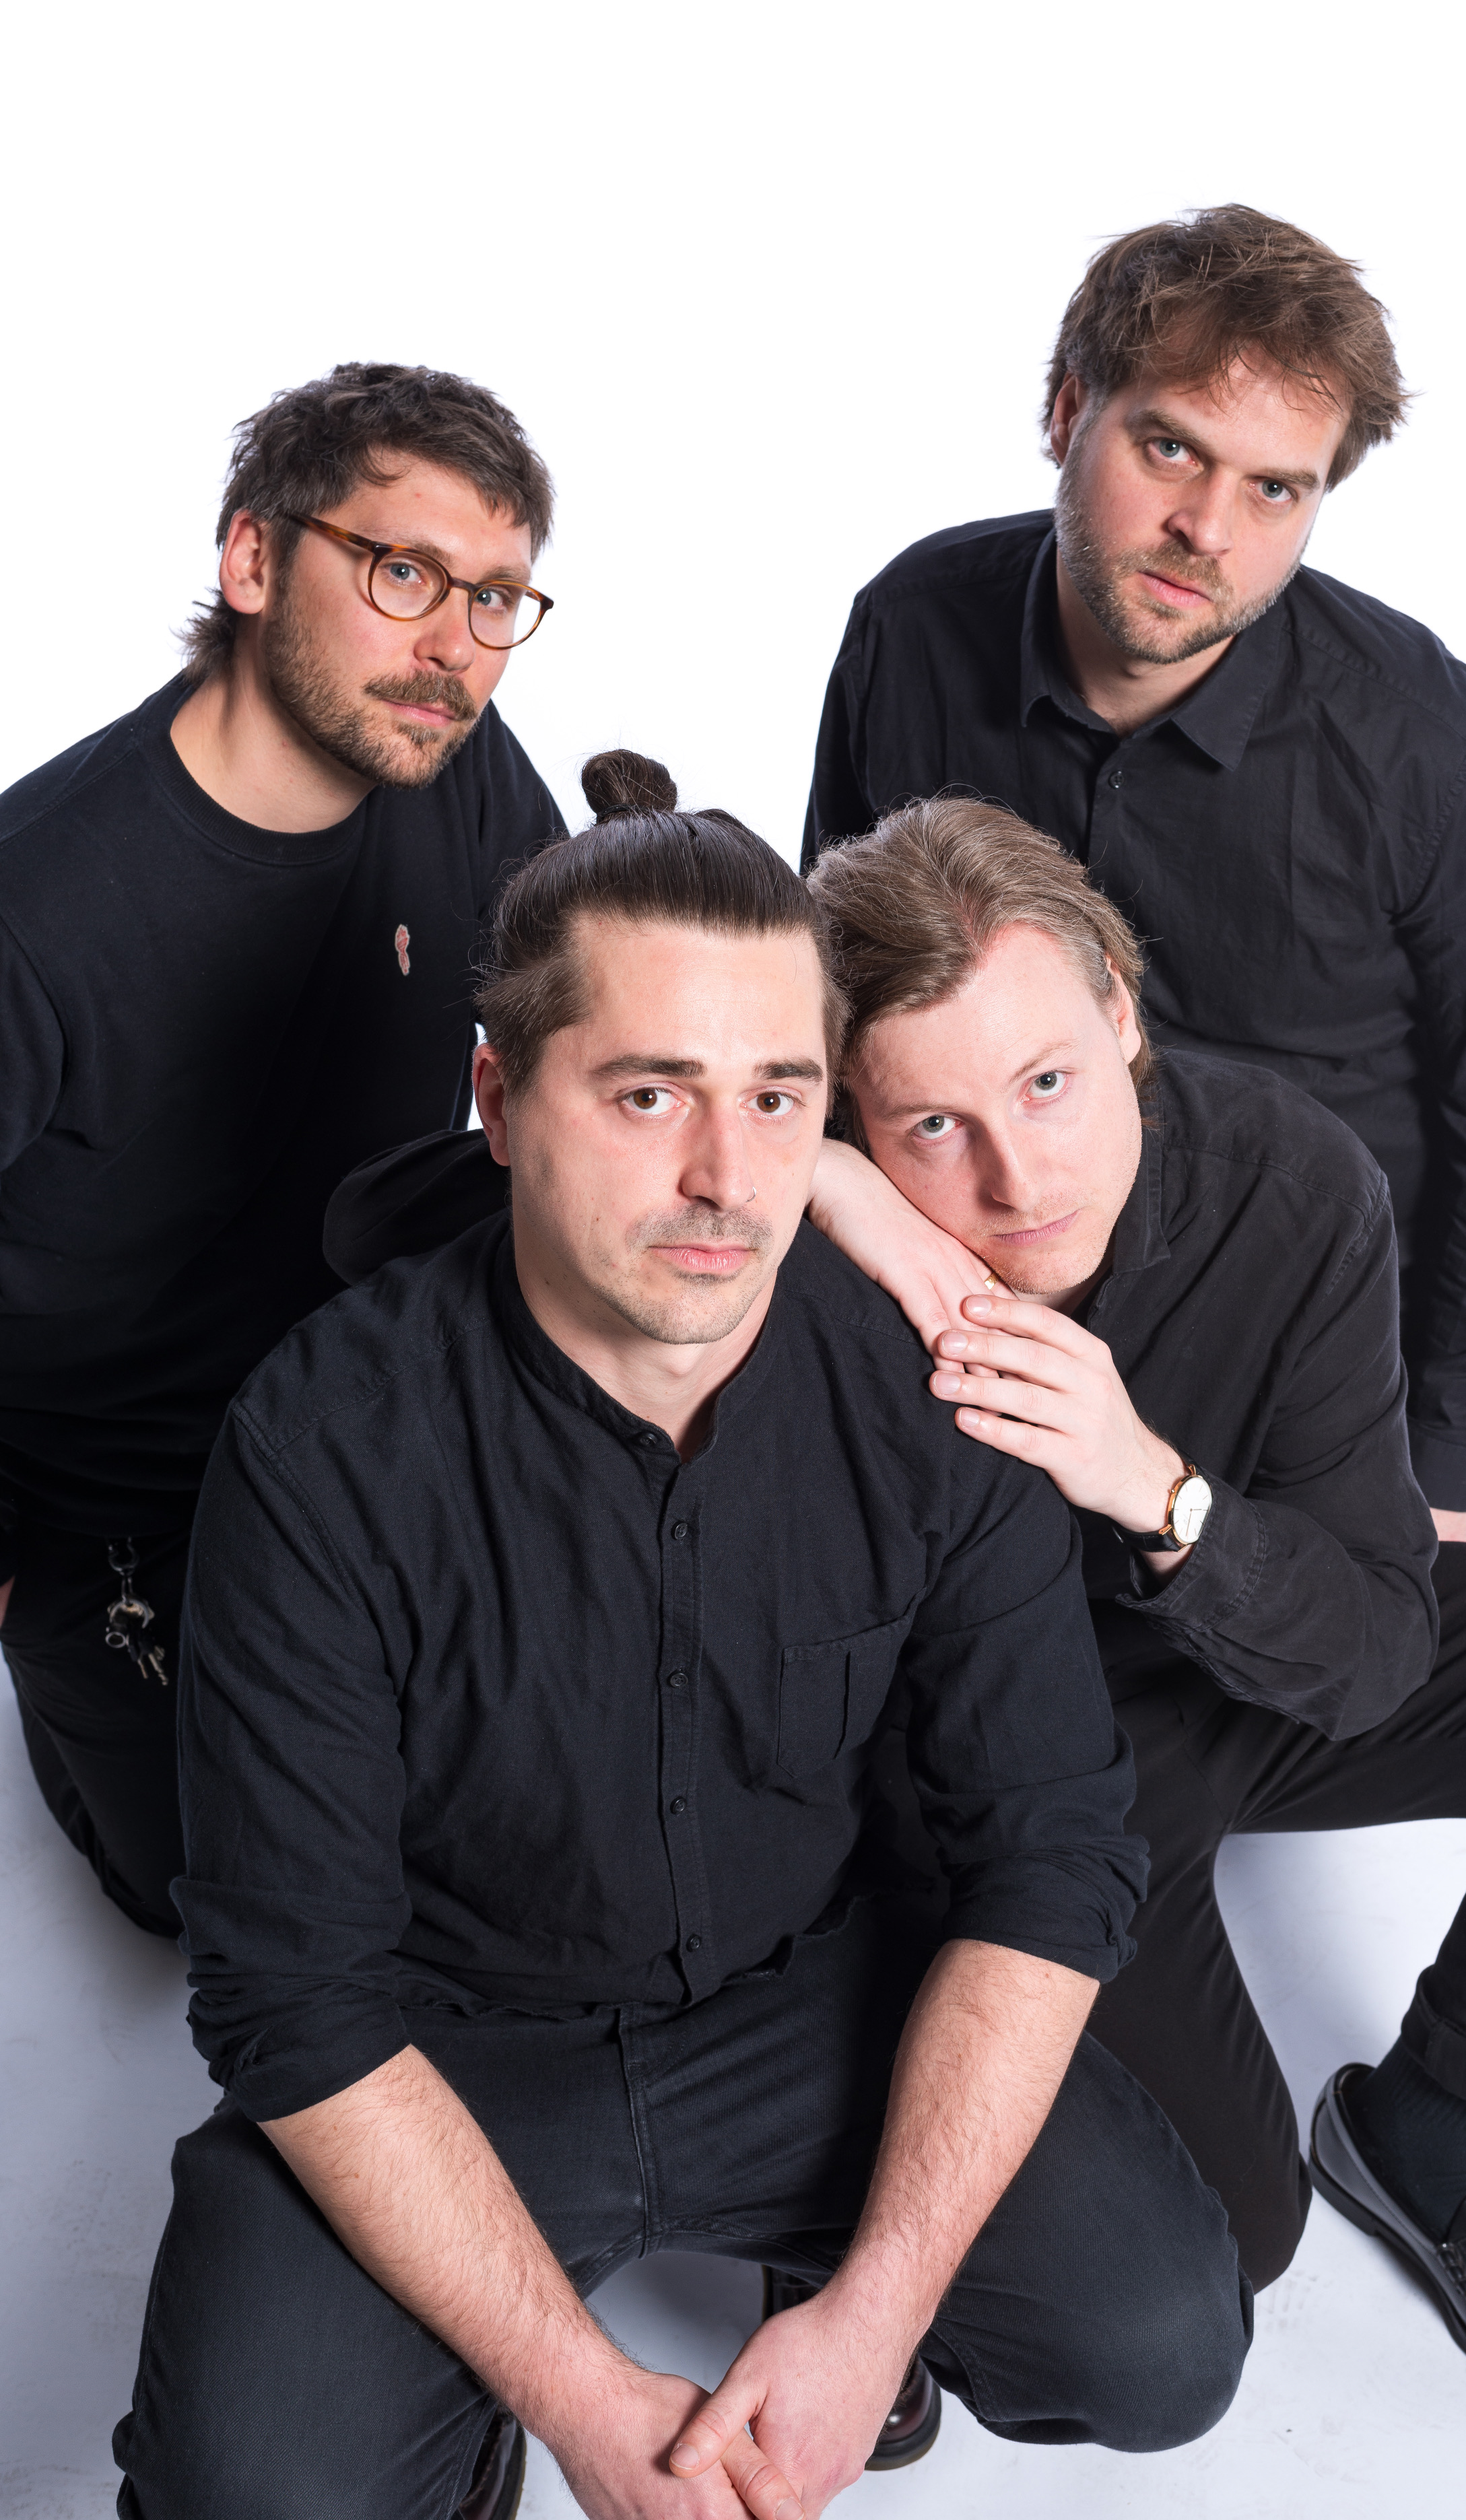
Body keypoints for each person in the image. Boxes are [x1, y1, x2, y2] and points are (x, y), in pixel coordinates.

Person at [114, 756, 1250, 2520]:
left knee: (1164, 2338)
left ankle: (806, 2270)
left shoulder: (929, 1386)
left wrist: (872, 2316)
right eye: (649, 1093)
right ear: (499, 1101)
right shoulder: (323, 1439)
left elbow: (1052, 1857)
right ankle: (461, 2412)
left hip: (810, 2005)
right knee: (253, 2488)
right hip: (452, 2040)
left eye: (777, 1097)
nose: (727, 1177)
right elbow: (294, 1996)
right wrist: (579, 2398)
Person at [793, 796, 1466, 2417]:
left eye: (1047, 1081)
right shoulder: (800, 1234)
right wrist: (810, 1178)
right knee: (1228, 2241)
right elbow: (454, 1199)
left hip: (1233, 1654)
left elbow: (1378, 1646)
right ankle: (821, 2212)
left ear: (1121, 1012)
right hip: (1019, 1767)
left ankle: (1427, 2123)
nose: (1016, 1175)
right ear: (845, 1107)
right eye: (929, 1126)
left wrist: (1154, 1485)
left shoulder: (1290, 1182)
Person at [802, 205, 1466, 1546]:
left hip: (1317, 1379)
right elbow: (832, 986)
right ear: (1068, 411)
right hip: (976, 1339)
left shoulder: (1433, 753)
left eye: (1275, 489)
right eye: (1169, 446)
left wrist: (1448, 1472)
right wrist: (842, 1196)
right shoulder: (912, 627)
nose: (1207, 528)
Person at [0, 362, 566, 1935]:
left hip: (387, 1413)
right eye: (404, 573)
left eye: (496, 597)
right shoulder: (40, 905)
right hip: (131, 1508)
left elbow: (602, 1010)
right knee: (239, 1895)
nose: (455, 647)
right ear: (253, 558)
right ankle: (79, 1709)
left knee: (518, 1825)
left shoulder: (449, 762)